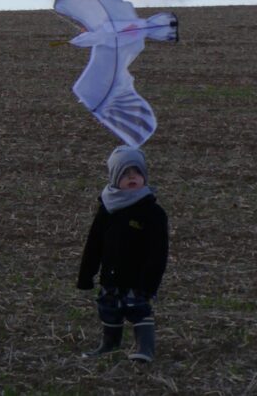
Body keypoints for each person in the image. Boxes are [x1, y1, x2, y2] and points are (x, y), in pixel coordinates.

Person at [77, 145, 169, 363]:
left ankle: (144, 347)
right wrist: (86, 275)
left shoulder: (152, 212)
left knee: (138, 309)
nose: (132, 178)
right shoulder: (107, 209)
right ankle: (109, 344)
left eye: (136, 173)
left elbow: (159, 252)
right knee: (108, 308)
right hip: (110, 276)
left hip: (137, 278)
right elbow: (94, 244)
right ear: (115, 177)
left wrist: (150, 283)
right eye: (126, 174)